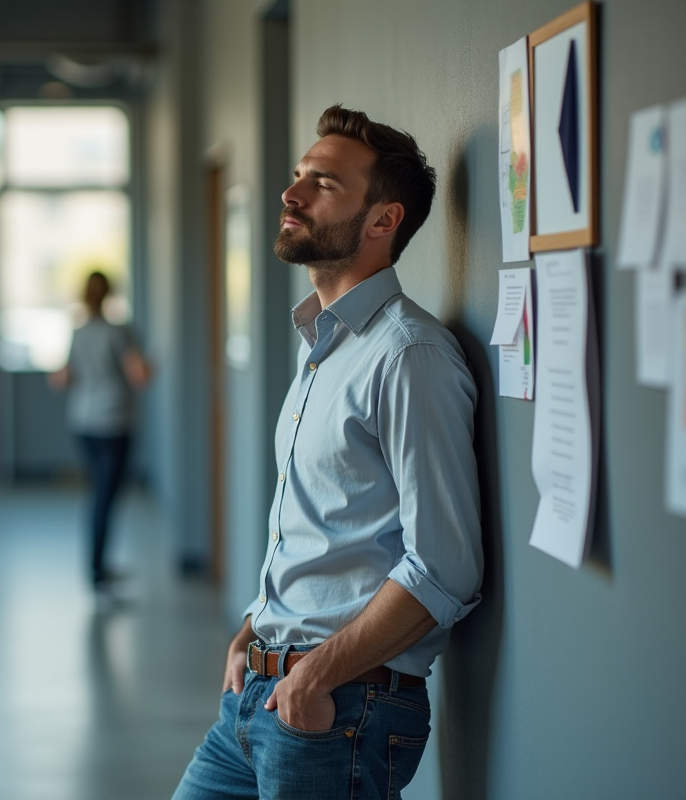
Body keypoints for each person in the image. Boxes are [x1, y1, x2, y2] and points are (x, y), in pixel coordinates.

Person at [172, 106, 483, 799]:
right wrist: (254, 627)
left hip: (338, 710)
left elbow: (446, 566)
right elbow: (327, 525)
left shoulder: (409, 355)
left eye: (325, 184)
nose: (292, 193)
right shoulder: (325, 347)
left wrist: (316, 674)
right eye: (298, 176)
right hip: (258, 695)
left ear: (383, 221)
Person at [50, 271, 151, 606]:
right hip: (114, 423)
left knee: (99, 495)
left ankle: (100, 568)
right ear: (109, 294)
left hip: (83, 422)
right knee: (105, 499)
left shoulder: (79, 332)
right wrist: (153, 365)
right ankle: (97, 575)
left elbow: (63, 379)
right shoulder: (119, 331)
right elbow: (139, 376)